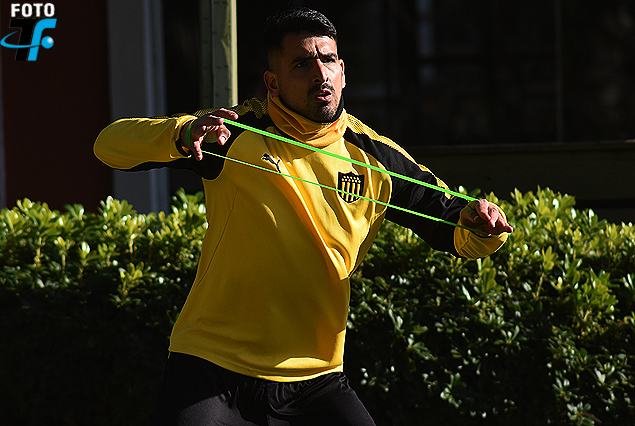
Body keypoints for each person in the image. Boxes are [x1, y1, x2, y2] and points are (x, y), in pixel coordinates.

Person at [94, 7, 513, 426]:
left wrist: (484, 226)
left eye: (328, 60)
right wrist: (182, 134)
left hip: (316, 380)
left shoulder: (376, 158)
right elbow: (108, 145)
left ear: (343, 72)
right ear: (273, 83)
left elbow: (457, 227)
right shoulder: (232, 133)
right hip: (212, 370)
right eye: (301, 64)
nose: (319, 74)